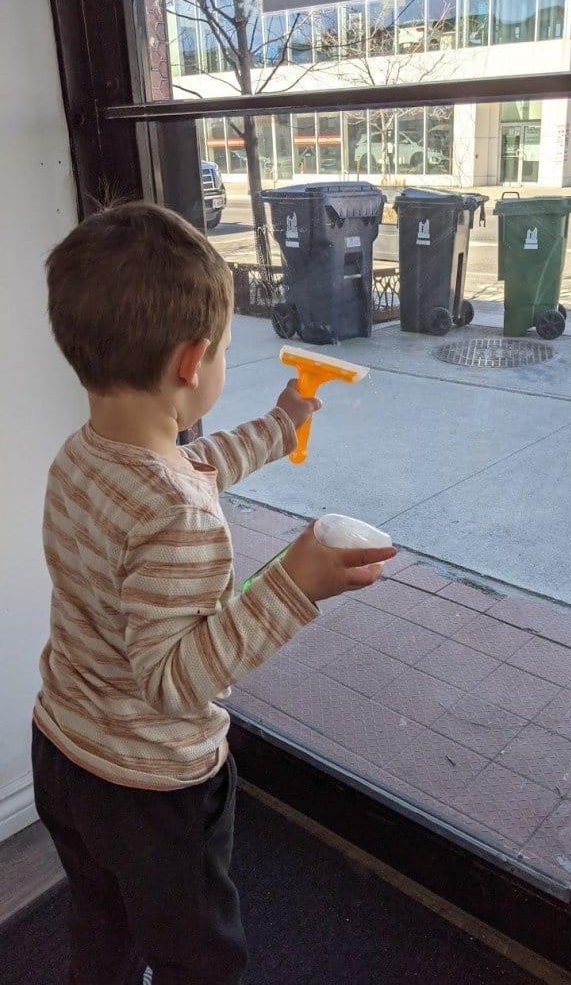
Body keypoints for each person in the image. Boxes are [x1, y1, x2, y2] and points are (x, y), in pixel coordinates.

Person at [31, 201, 395, 985]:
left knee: (100, 922)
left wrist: (281, 422)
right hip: (149, 792)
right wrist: (295, 584)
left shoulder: (85, 456)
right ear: (193, 362)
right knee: (200, 954)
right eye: (228, 349)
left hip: (63, 751)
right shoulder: (180, 517)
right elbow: (176, 681)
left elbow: (191, 464)